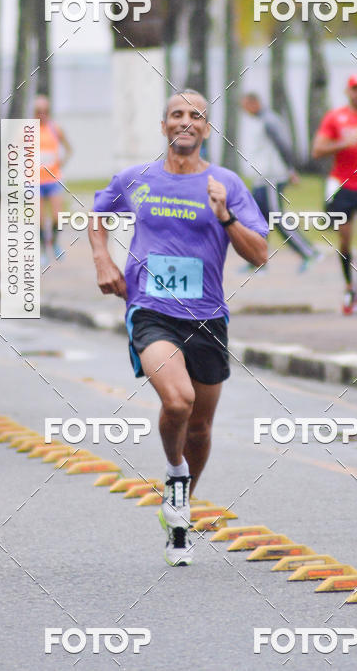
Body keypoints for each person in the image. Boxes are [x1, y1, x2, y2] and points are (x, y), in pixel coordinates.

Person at [88, 90, 268, 566]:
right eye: (176, 115)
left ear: (206, 129)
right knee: (179, 400)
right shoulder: (137, 179)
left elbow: (260, 254)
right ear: (164, 125)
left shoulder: (226, 183)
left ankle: (180, 504)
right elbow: (98, 214)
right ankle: (174, 473)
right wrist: (103, 260)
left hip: (208, 315)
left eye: (196, 116)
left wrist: (225, 216)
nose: (185, 122)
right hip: (151, 309)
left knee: (202, 426)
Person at [311, 73, 357, 314]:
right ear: (347, 91)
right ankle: (348, 286)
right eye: (355, 89)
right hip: (342, 184)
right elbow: (317, 150)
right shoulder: (336, 118)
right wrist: (343, 143)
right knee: (345, 239)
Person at [240, 93, 320, 268]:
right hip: (261, 178)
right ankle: (258, 260)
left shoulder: (269, 121)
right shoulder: (258, 121)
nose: (244, 110)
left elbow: (282, 145)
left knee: (277, 218)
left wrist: (291, 169)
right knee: (258, 219)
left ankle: (309, 252)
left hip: (272, 177)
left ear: (254, 103)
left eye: (246, 105)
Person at [35, 95, 72, 267]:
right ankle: (43, 251)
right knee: (40, 219)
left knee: (58, 216)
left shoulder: (55, 129)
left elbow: (69, 149)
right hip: (34, 181)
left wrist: (60, 165)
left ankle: (55, 243)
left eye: (45, 111)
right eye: (38, 111)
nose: (42, 114)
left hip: (53, 179)